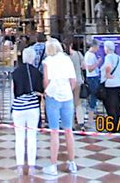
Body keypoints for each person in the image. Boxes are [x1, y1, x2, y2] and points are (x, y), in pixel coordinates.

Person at [42, 38, 78, 176]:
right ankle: (72, 163)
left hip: (53, 97)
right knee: (68, 130)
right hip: (67, 97)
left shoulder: (48, 62)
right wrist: (67, 91)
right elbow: (73, 80)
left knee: (54, 131)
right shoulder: (67, 59)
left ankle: (53, 165)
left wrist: (48, 91)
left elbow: (46, 81)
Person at [11, 46, 43, 176]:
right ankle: (31, 166)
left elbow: (13, 91)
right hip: (32, 107)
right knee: (32, 137)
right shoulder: (36, 72)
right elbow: (40, 90)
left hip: (18, 107)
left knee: (19, 137)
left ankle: (19, 166)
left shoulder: (15, 72)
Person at [100, 40, 120, 132]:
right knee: (117, 105)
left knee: (110, 105)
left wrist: (108, 74)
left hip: (110, 84)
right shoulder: (118, 57)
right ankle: (119, 125)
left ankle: (113, 126)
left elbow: (108, 66)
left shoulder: (108, 57)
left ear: (107, 48)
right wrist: (118, 72)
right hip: (119, 83)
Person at [65, 39, 85, 131]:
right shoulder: (78, 54)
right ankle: (81, 122)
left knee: (69, 103)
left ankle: (71, 123)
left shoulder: (64, 56)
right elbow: (84, 66)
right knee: (77, 102)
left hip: (67, 82)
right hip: (78, 80)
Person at [84, 39, 102, 119]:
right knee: (94, 96)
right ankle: (91, 115)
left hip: (94, 77)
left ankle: (93, 113)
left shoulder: (92, 55)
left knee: (94, 96)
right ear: (94, 46)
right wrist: (98, 62)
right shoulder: (89, 55)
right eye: (97, 46)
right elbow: (90, 68)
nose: (98, 48)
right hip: (92, 77)